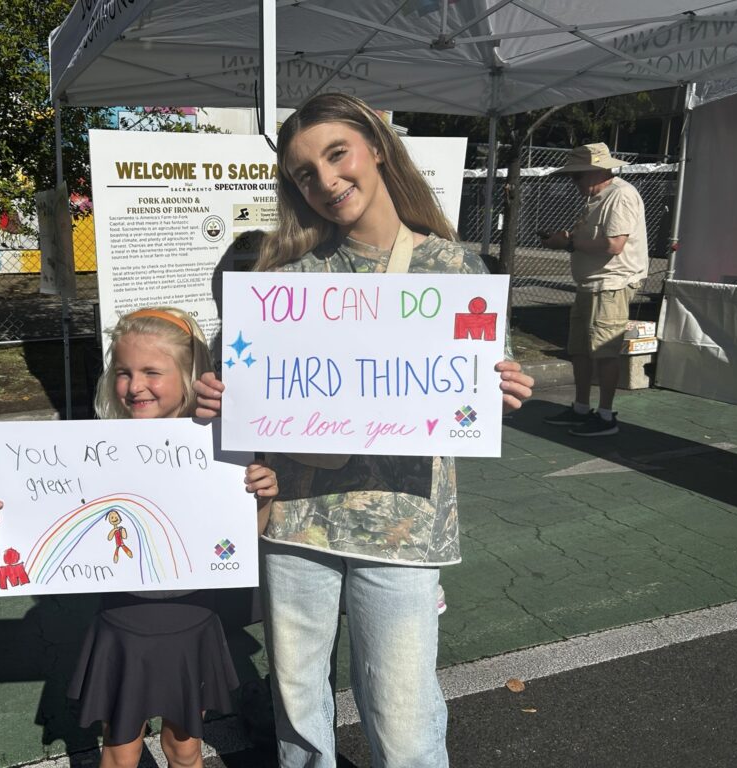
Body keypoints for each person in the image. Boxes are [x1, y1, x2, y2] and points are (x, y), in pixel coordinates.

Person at [194, 93, 534, 768]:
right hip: (297, 518)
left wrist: (499, 392)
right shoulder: (284, 279)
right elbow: (249, 396)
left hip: (403, 521)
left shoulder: (455, 270)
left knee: (402, 718)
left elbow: (462, 401)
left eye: (336, 153)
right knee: (298, 711)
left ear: (377, 146)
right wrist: (220, 398)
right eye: (303, 174)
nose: (324, 180)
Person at [0, 307, 278, 768]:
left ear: (190, 374)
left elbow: (238, 544)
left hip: (191, 625)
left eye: (152, 372)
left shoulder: (221, 450)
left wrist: (262, 498)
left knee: (185, 747)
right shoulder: (93, 453)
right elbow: (43, 525)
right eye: (124, 372)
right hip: (121, 626)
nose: (135, 386)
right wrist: (0, 527)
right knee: (119, 749)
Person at [540, 142, 649, 437]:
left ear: (596, 171)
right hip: (592, 283)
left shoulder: (620, 195)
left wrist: (570, 243)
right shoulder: (598, 196)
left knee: (603, 351)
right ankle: (581, 408)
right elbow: (597, 239)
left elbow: (615, 245)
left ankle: (605, 416)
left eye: (576, 175)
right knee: (580, 350)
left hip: (611, 284)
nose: (573, 182)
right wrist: (567, 238)